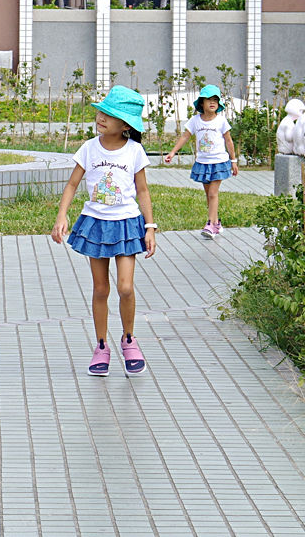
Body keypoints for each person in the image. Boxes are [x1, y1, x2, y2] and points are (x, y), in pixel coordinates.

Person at [51, 85, 157, 377]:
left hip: (126, 224)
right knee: (100, 289)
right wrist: (62, 216)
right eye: (101, 112)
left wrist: (150, 227)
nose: (101, 118)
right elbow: (72, 184)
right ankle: (101, 346)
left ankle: (128, 339)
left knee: (125, 287)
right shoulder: (88, 147)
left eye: (109, 115)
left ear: (125, 125)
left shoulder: (134, 151)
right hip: (95, 224)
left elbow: (143, 190)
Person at [162, 83, 239, 238]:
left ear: (218, 104)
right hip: (203, 163)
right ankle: (216, 222)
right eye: (208, 99)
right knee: (208, 194)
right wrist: (172, 152)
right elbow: (185, 136)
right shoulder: (195, 120)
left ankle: (210, 225)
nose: (212, 102)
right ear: (201, 103)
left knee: (212, 193)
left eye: (215, 100)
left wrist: (233, 160)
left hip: (219, 162)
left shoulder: (221, 121)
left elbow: (229, 141)